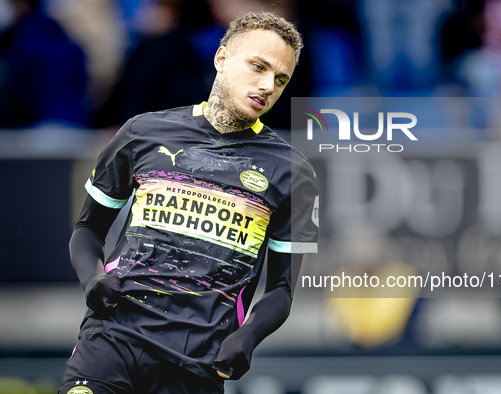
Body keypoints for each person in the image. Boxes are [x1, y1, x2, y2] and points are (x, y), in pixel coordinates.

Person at [59, 11, 319, 394]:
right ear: (221, 58)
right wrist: (92, 278)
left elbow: (282, 290)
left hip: (197, 363)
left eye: (280, 79)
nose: (267, 85)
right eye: (258, 66)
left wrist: (249, 337)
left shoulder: (294, 172)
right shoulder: (142, 132)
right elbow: (87, 230)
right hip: (113, 338)